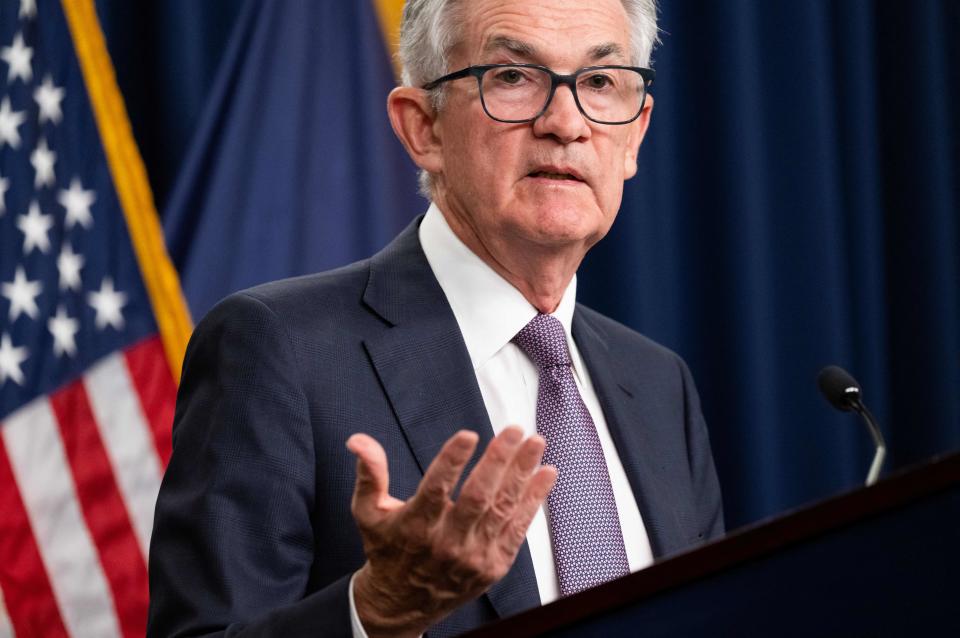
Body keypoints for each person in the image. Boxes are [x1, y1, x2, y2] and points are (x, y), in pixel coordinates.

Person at [147, 0, 724, 636]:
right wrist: (373, 613)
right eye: (512, 76)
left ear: (634, 135)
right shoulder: (277, 349)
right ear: (424, 128)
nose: (567, 123)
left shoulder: (659, 384)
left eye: (599, 82)